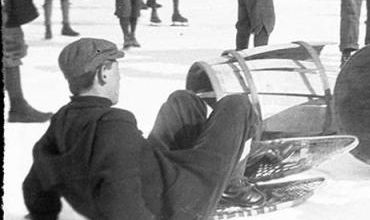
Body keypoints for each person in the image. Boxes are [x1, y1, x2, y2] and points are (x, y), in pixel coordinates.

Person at [23, 38, 264, 219]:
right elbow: (122, 199)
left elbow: (36, 182)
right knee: (237, 104)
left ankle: (214, 165)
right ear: (103, 74)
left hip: (156, 178)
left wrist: (42, 213)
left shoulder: (64, 119)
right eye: (117, 71)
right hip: (181, 205)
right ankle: (229, 182)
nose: (120, 79)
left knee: (184, 100)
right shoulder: (113, 124)